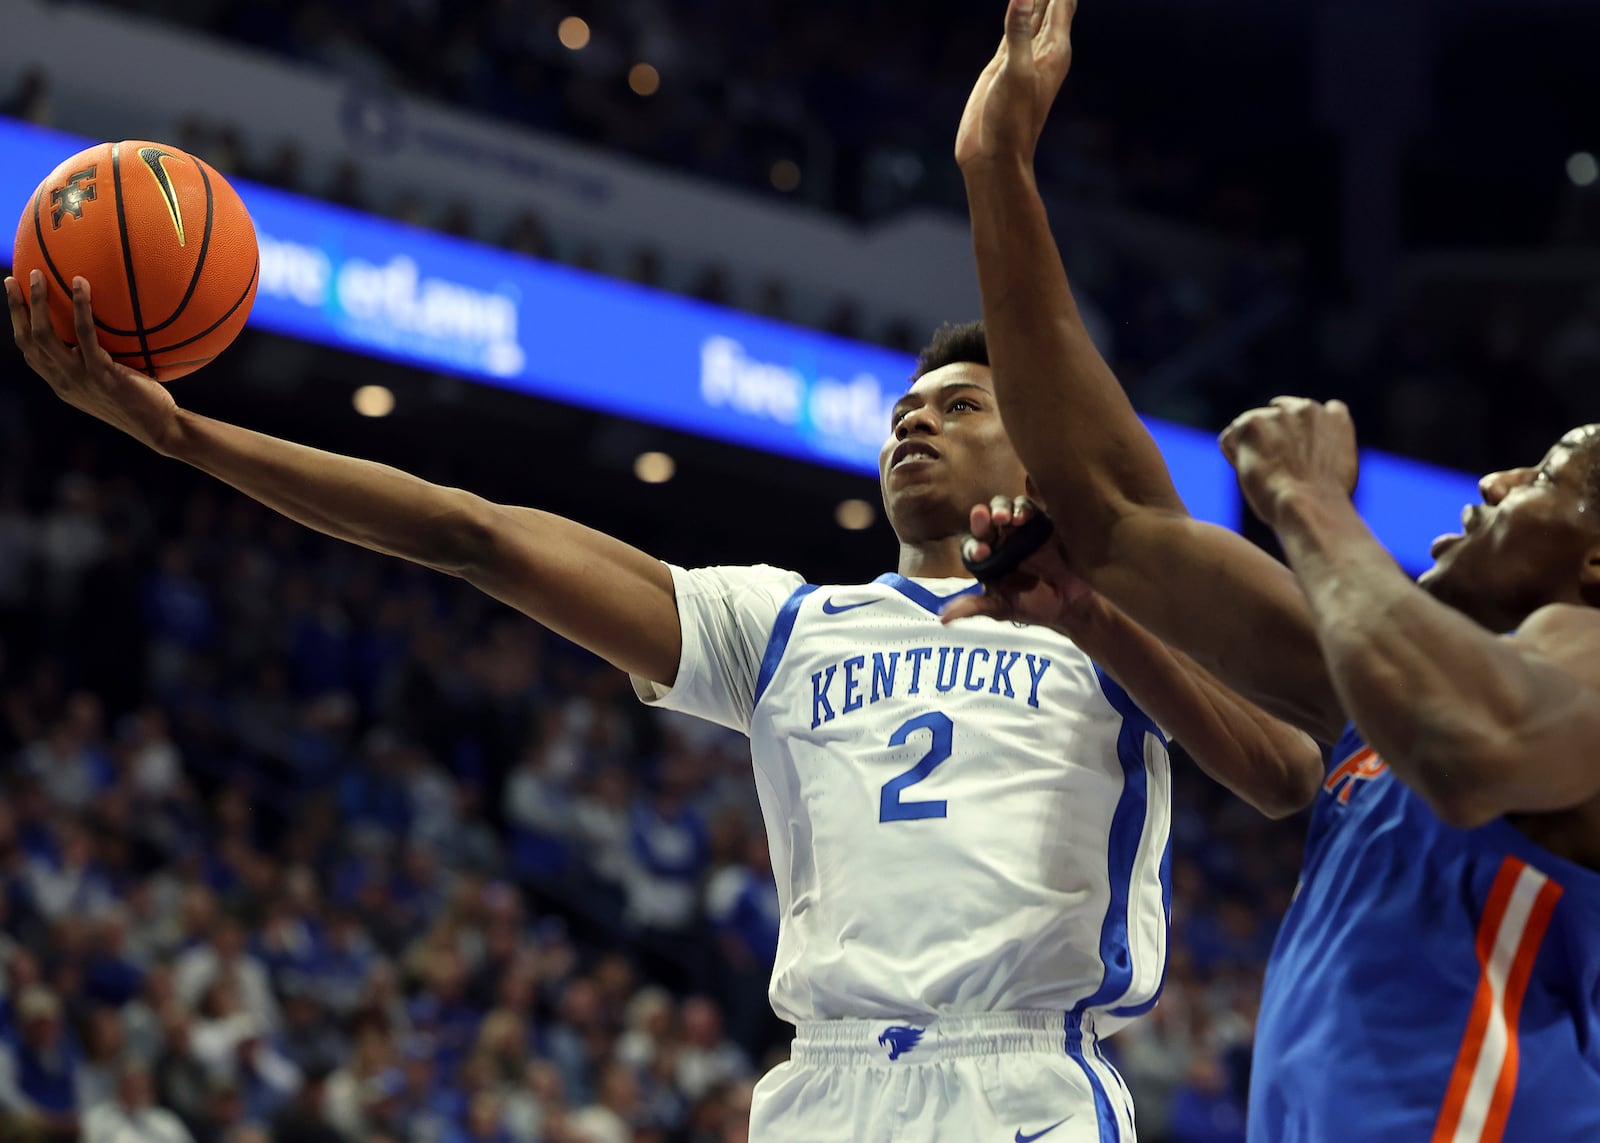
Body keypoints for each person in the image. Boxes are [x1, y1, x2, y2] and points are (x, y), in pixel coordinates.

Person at [5, 269, 1322, 1141]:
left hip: (1023, 1072)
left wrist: (1090, 614)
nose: (911, 426)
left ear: (1032, 446)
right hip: (822, 1081)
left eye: (958, 406)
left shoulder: (1118, 610)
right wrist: (184, 437)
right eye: (900, 412)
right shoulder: (787, 619)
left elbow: (1284, 771)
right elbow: (475, 534)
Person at [949, 2, 1600, 1139]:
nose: (1495, 482)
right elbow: (1111, 519)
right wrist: (996, 166)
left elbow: (1465, 747)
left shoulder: (1581, 670)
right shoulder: (1384, 689)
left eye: (1542, 474)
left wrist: (1305, 503)